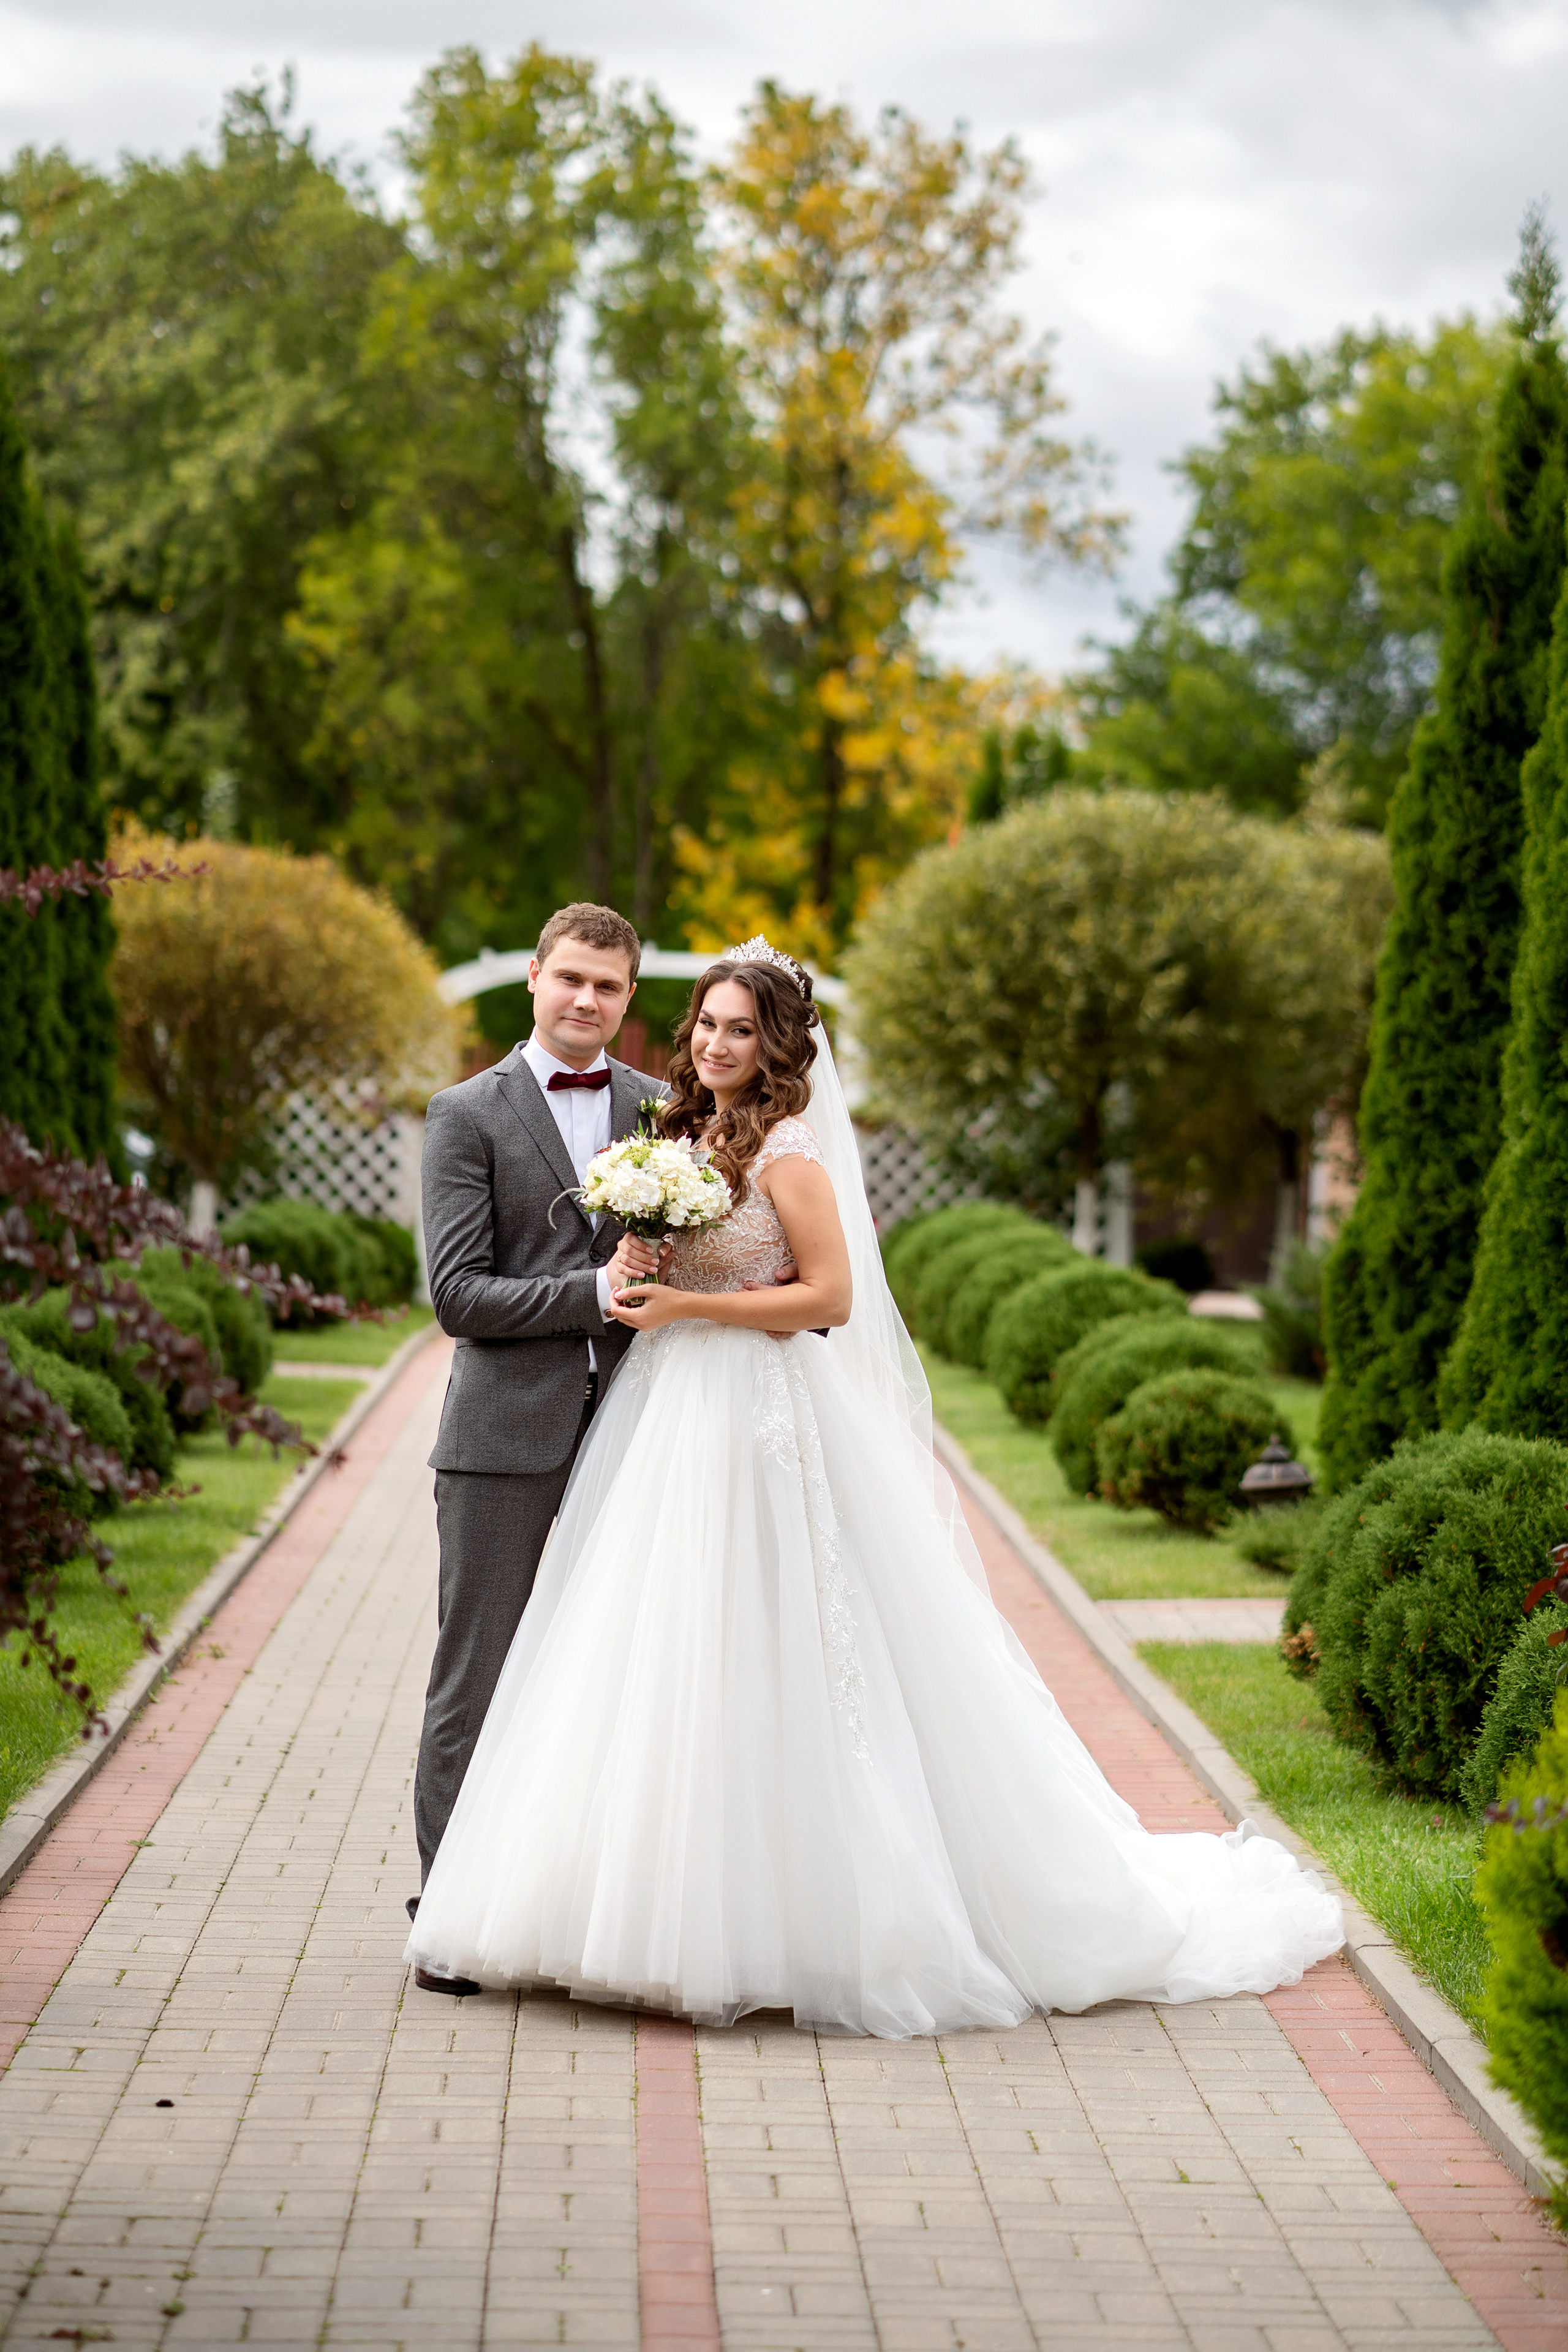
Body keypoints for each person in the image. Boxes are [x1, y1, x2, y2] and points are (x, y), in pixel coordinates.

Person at [406, 937, 1343, 2034]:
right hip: (630, 1420)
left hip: (738, 1417)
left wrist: (684, 1306)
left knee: (753, 1658)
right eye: (704, 1024)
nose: (713, 1042)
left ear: (775, 1043)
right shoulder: (652, 1123)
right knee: (595, 1659)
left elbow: (830, 1297)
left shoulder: (768, 1142)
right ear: (538, 980)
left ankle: (760, 1917)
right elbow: (462, 1287)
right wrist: (628, 1288)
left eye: (738, 1028)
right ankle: (478, 1900)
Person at [409, 903, 669, 1996]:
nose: (586, 1001)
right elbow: (456, 1294)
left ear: (628, 998)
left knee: (618, 1674)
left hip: (643, 1434)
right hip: (502, 1438)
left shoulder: (665, 1109)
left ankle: (584, 1906)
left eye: (608, 988)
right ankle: (446, 1914)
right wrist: (594, 1292)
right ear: (532, 976)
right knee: (480, 1672)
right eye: (570, 978)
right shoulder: (465, 1113)